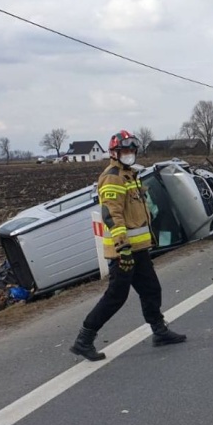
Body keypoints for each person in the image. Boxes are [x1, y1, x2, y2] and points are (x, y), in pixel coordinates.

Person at [70, 130, 186, 361]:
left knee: (151, 289)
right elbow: (112, 215)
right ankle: (84, 339)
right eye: (125, 151)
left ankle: (159, 331)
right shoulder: (113, 177)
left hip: (138, 250)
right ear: (114, 153)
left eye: (132, 150)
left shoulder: (130, 175)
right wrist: (123, 249)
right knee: (116, 296)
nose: (129, 154)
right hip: (123, 251)